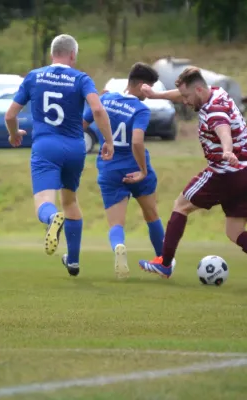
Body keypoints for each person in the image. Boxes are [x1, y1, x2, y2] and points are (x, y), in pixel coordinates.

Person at [138, 67, 247, 291]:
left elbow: (223, 129)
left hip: (225, 172)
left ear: (199, 89)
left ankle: (165, 263)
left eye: (188, 97)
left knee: (180, 205)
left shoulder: (214, 110)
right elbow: (182, 94)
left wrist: (227, 150)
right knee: (235, 232)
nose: (185, 102)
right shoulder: (217, 92)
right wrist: (156, 95)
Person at [4, 34, 114, 277]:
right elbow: (97, 108)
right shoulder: (81, 78)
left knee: (44, 203)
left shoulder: (34, 76)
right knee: (71, 201)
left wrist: (14, 135)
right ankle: (73, 261)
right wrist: (108, 140)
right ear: (73, 55)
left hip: (46, 147)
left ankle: (52, 218)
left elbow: (10, 115)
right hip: (75, 148)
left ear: (52, 53)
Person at [83, 63, 165, 279]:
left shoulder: (104, 99)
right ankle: (163, 261)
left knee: (116, 224)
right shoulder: (140, 109)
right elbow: (137, 142)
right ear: (140, 85)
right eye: (149, 87)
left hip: (110, 169)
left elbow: (82, 123)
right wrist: (143, 171)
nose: (149, 93)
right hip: (136, 168)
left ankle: (119, 246)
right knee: (151, 215)